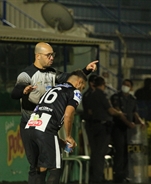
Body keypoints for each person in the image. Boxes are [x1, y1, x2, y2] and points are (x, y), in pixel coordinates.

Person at [11, 42, 98, 182]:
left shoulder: (52, 73)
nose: (52, 58)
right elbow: (14, 93)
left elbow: (72, 79)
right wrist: (23, 90)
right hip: (29, 122)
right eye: (48, 55)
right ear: (38, 56)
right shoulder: (27, 74)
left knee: (44, 165)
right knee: (38, 166)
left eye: (53, 55)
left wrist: (86, 70)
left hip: (45, 123)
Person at [22, 70, 87, 184]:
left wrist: (58, 141)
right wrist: (68, 136)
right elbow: (68, 114)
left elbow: (46, 117)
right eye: (83, 87)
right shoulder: (75, 92)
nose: (81, 90)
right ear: (79, 82)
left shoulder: (51, 89)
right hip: (46, 130)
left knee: (40, 167)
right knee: (55, 168)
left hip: (30, 127)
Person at [87, 76, 135, 184]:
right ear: (103, 84)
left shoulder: (90, 95)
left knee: (97, 153)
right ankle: (98, 178)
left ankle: (96, 176)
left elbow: (89, 111)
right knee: (100, 153)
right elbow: (111, 111)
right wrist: (121, 114)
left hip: (93, 126)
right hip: (103, 127)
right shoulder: (103, 95)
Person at [110, 79, 145, 183]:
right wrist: (128, 123)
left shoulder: (132, 99)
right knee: (119, 152)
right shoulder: (116, 97)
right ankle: (118, 176)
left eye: (128, 85)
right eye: (124, 84)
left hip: (129, 131)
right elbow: (118, 112)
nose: (125, 86)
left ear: (131, 88)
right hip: (119, 128)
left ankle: (125, 175)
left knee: (127, 152)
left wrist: (141, 122)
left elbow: (135, 113)